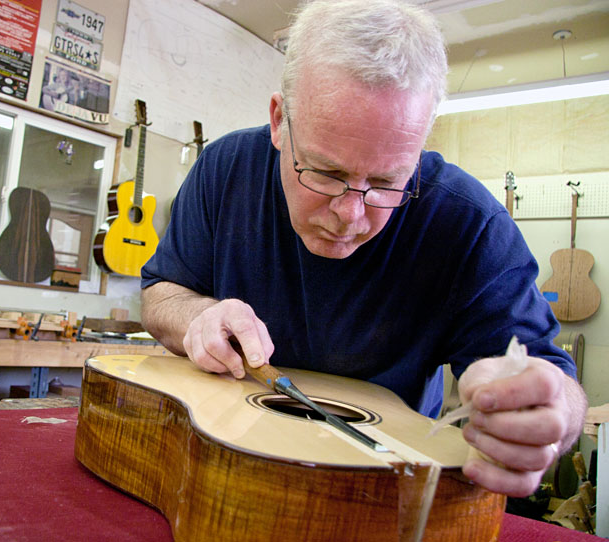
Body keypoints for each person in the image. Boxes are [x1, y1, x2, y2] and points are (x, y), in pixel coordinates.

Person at [139, 0, 588, 498]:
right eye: (325, 172)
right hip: (221, 465)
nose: (350, 214)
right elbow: (161, 293)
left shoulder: (471, 225)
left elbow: (555, 383)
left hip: (381, 490)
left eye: (387, 182)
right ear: (279, 120)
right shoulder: (225, 170)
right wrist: (197, 316)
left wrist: (545, 417)